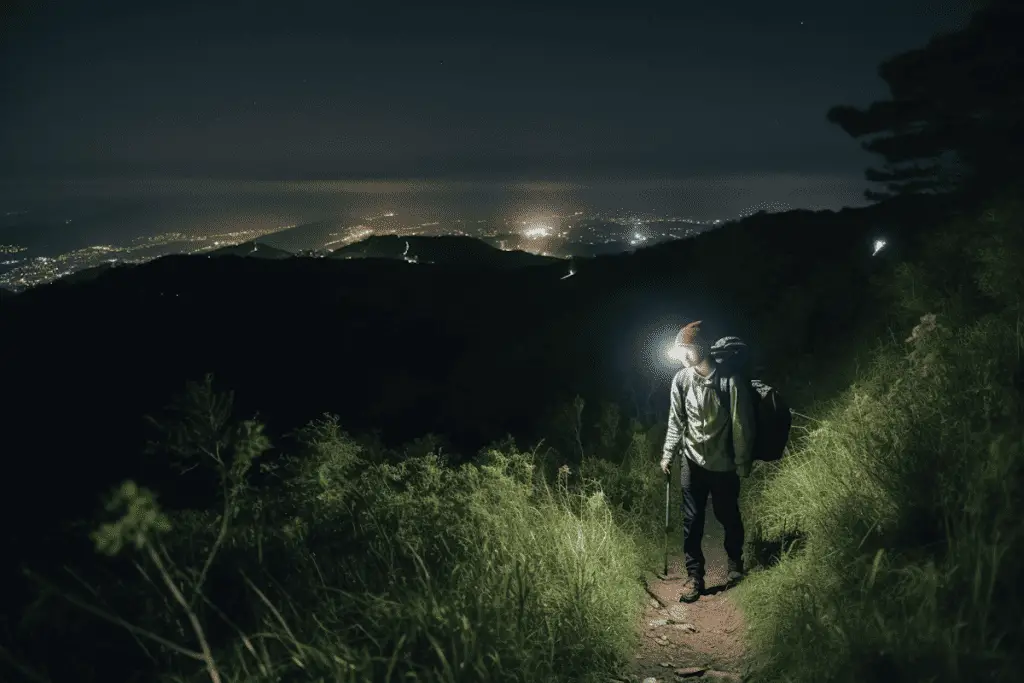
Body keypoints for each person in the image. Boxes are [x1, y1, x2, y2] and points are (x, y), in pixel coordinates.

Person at [660, 320, 756, 603]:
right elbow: (676, 420)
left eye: (685, 350)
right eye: (679, 351)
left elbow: (741, 425)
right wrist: (668, 453)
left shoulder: (729, 381)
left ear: (700, 348)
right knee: (692, 519)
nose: (682, 356)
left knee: (728, 515)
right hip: (692, 460)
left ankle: (735, 566)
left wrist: (742, 462)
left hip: (723, 462)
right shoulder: (681, 379)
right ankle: (694, 577)